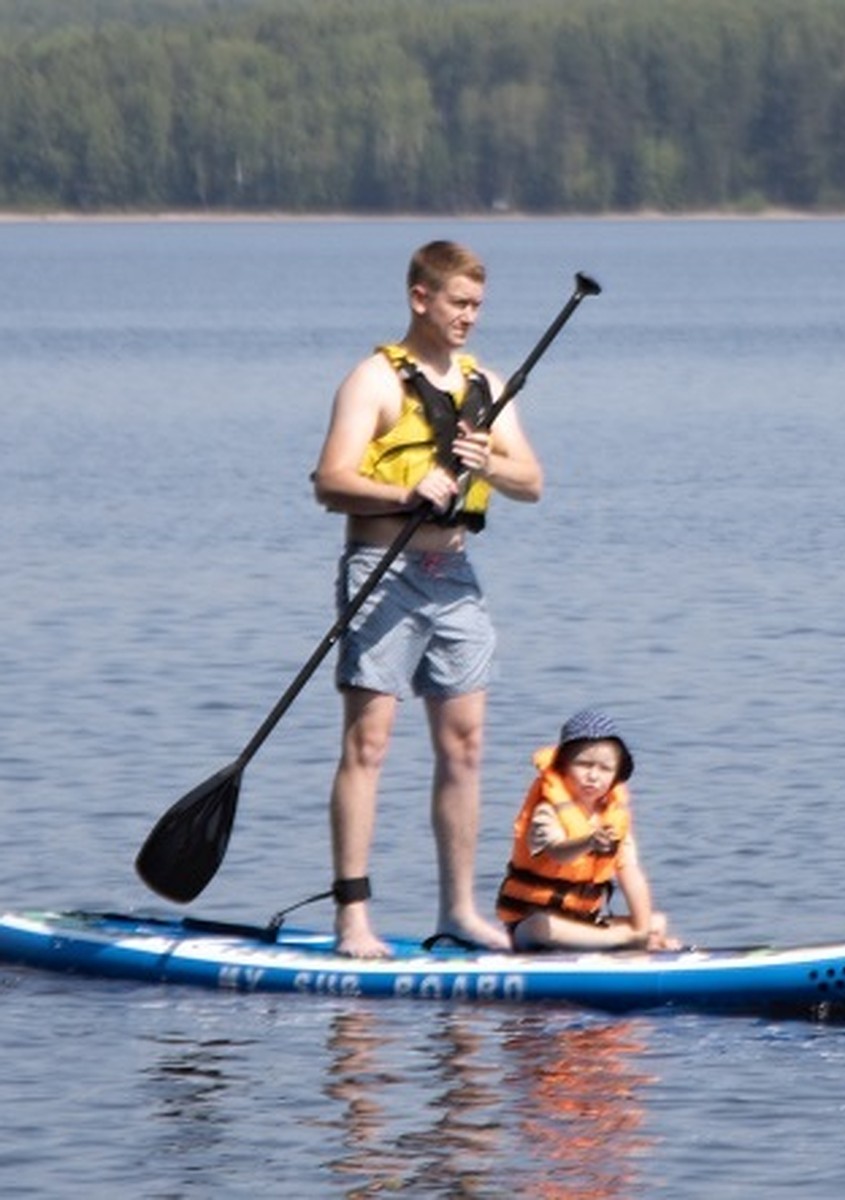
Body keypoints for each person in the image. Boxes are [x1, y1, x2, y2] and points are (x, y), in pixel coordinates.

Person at [312, 240, 543, 958]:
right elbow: (329, 482)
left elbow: (532, 481)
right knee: (369, 744)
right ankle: (353, 919)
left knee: (465, 747)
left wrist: (491, 463)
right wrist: (403, 491)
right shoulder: (373, 380)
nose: (469, 318)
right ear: (421, 298)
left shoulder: (486, 384)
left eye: (478, 306)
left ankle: (458, 913)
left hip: (456, 581)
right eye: (458, 304)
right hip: (381, 569)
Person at [497, 709, 678, 951]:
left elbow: (630, 873)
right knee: (543, 924)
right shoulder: (547, 811)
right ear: (563, 767)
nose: (593, 776)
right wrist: (588, 842)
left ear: (615, 776)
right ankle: (626, 941)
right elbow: (558, 852)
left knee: (656, 921)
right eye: (583, 764)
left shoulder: (613, 819)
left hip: (583, 922)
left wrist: (642, 928)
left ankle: (639, 939)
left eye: (604, 769)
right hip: (530, 927)